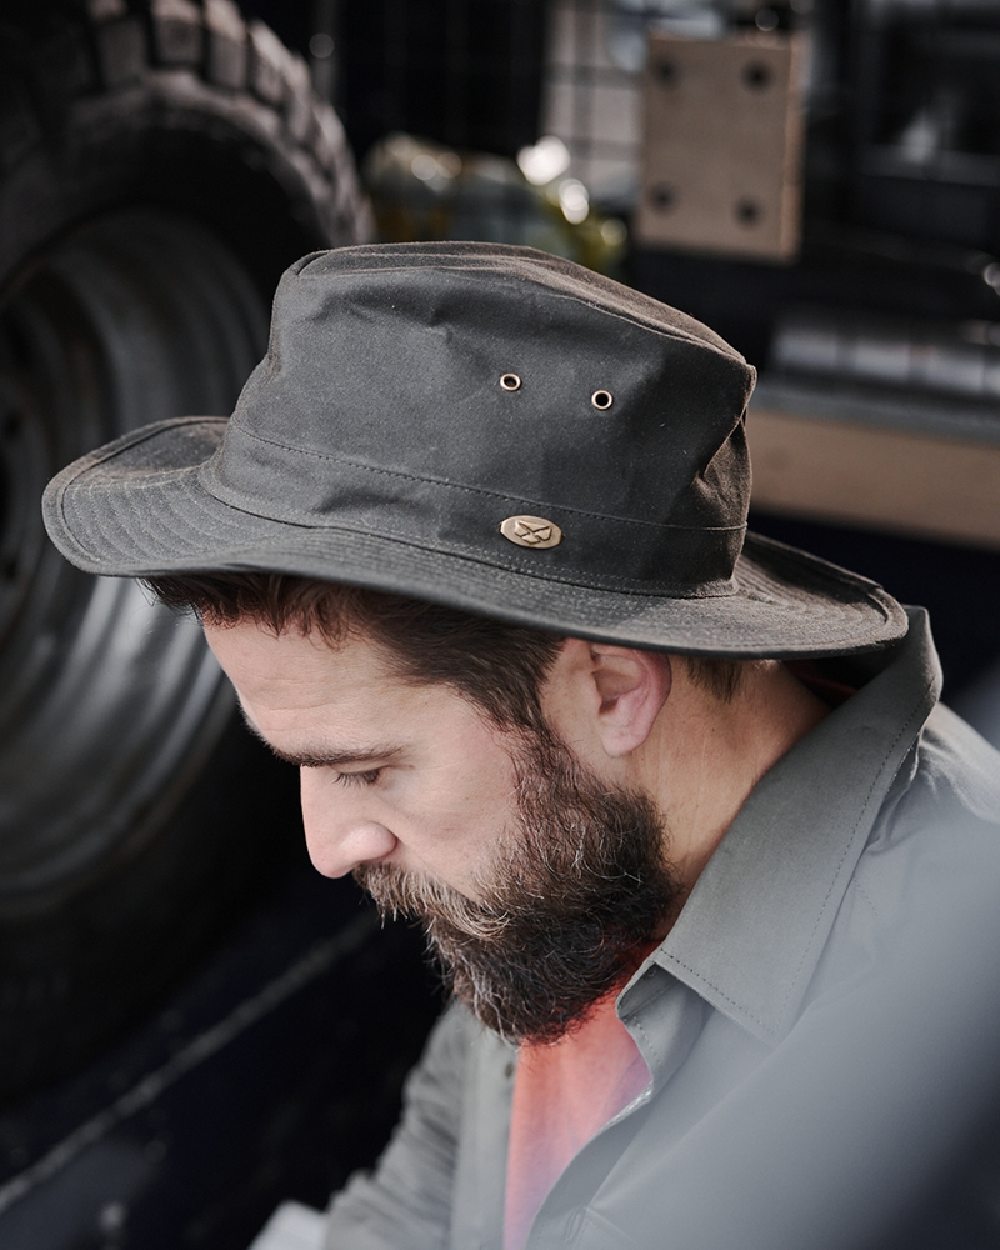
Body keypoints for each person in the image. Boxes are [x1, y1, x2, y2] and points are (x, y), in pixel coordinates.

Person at [43, 243, 1000, 1250]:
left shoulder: (953, 1036)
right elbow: (430, 1192)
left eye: (367, 768)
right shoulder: (566, 861)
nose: (326, 847)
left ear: (612, 689)